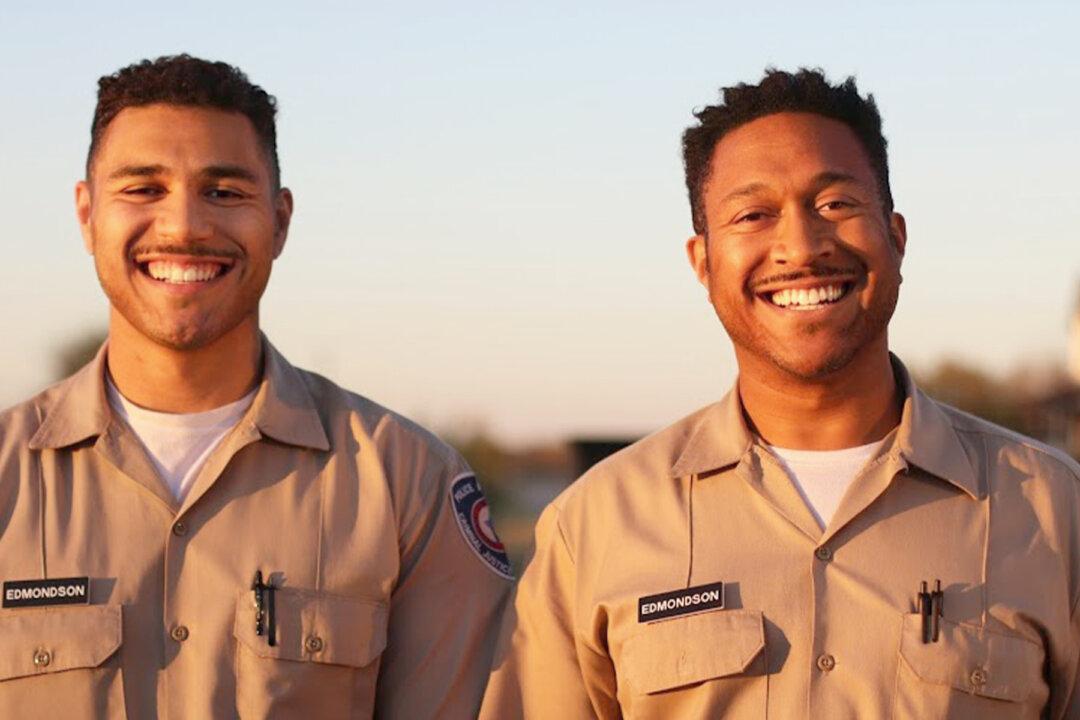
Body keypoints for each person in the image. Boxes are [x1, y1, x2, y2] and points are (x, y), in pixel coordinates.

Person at [481, 68, 1080, 719]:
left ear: (897, 238)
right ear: (703, 263)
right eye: (753, 214)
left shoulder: (1052, 510)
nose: (800, 245)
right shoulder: (594, 526)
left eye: (835, 205)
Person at [0, 54, 512, 718]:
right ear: (86, 213)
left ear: (281, 220)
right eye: (143, 189)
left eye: (225, 191)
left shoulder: (408, 482)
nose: (184, 226)